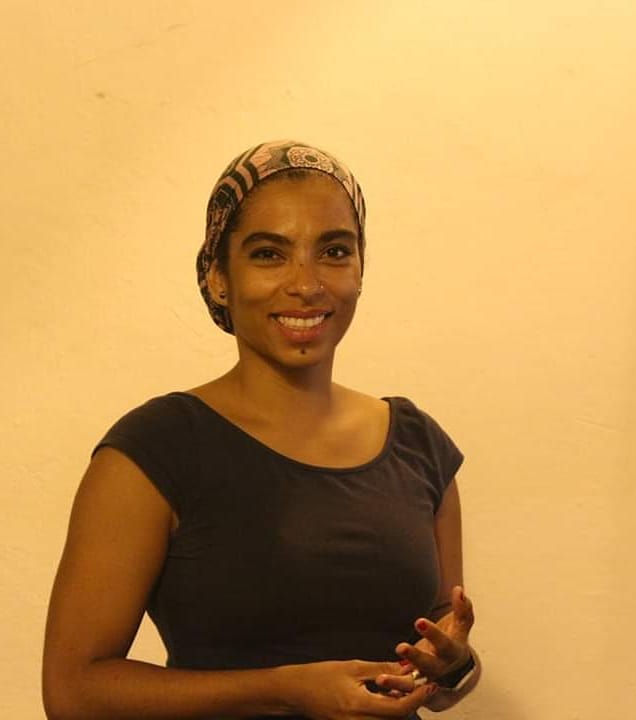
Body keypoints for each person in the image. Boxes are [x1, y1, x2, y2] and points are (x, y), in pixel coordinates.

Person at [43, 140, 480, 720]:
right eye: (269, 254)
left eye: (334, 251)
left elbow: (443, 664)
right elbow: (73, 692)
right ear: (218, 277)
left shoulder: (418, 445)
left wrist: (453, 667)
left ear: (360, 270)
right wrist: (283, 689)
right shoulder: (156, 450)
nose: (306, 284)